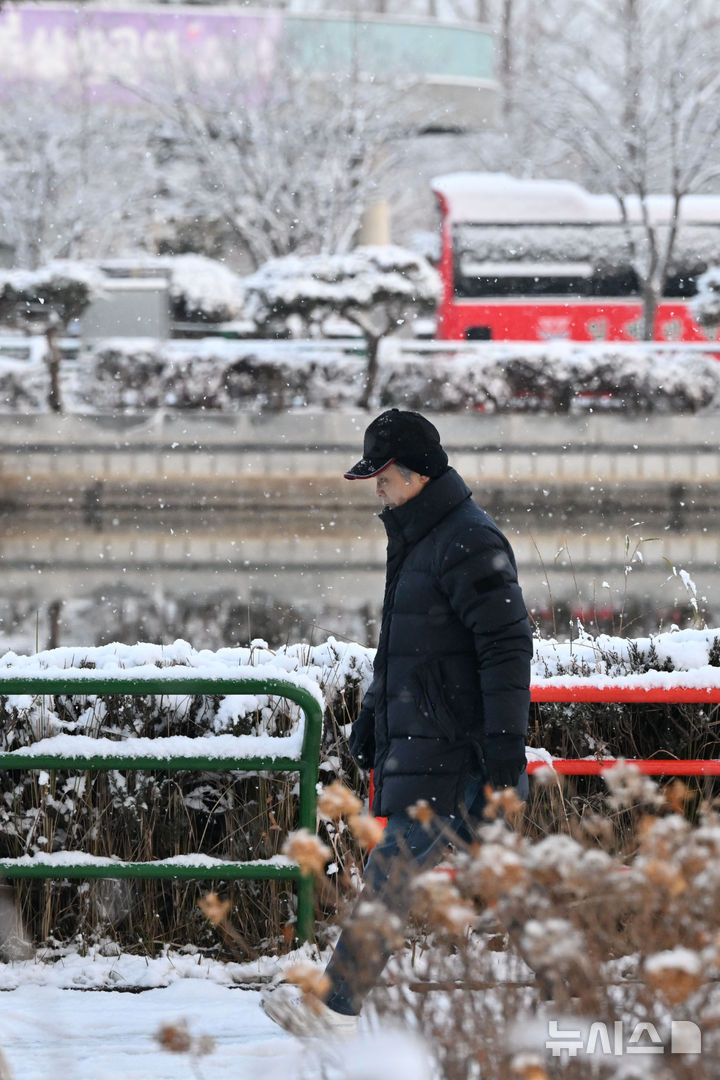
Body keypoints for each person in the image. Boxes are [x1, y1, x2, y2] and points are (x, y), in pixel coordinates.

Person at [262, 408, 532, 1037]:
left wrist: (502, 745)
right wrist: (374, 717)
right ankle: (579, 991)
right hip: (436, 745)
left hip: (461, 754)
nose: (376, 491)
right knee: (511, 888)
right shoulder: (423, 537)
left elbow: (506, 647)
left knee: (394, 871)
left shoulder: (467, 540)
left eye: (382, 478)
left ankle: (336, 1009)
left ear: (415, 476)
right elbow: (408, 648)